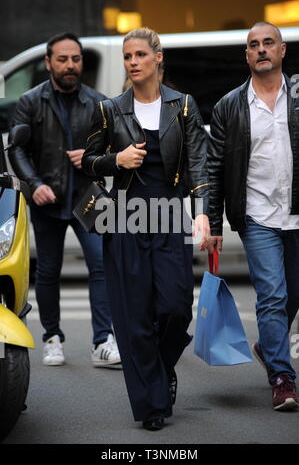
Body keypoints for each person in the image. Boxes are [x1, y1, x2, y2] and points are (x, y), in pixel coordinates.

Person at [82, 27, 210, 430]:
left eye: (140, 54)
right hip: (124, 218)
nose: (132, 62)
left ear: (158, 57)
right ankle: (152, 405)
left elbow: (199, 167)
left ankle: (160, 367)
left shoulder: (183, 106)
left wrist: (203, 213)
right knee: (134, 317)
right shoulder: (110, 108)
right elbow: (88, 161)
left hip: (170, 214)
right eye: (127, 56)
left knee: (175, 308)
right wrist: (115, 160)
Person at [10, 32, 121, 368]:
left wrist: (91, 157)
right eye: (62, 59)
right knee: (48, 272)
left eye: (76, 59)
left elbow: (114, 150)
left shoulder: (99, 102)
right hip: (48, 199)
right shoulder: (30, 102)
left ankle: (103, 341)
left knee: (102, 268)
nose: (70, 65)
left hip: (89, 197)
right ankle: (52, 338)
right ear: (48, 63)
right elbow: (16, 148)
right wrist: (34, 183)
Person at [208, 22, 299, 411]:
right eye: (253, 45)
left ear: (282, 51)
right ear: (246, 56)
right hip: (257, 214)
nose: (261, 50)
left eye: (268, 43)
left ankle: (269, 344)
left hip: (296, 212)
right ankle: (282, 377)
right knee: (272, 295)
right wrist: (211, 224)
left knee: (292, 293)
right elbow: (214, 169)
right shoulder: (229, 106)